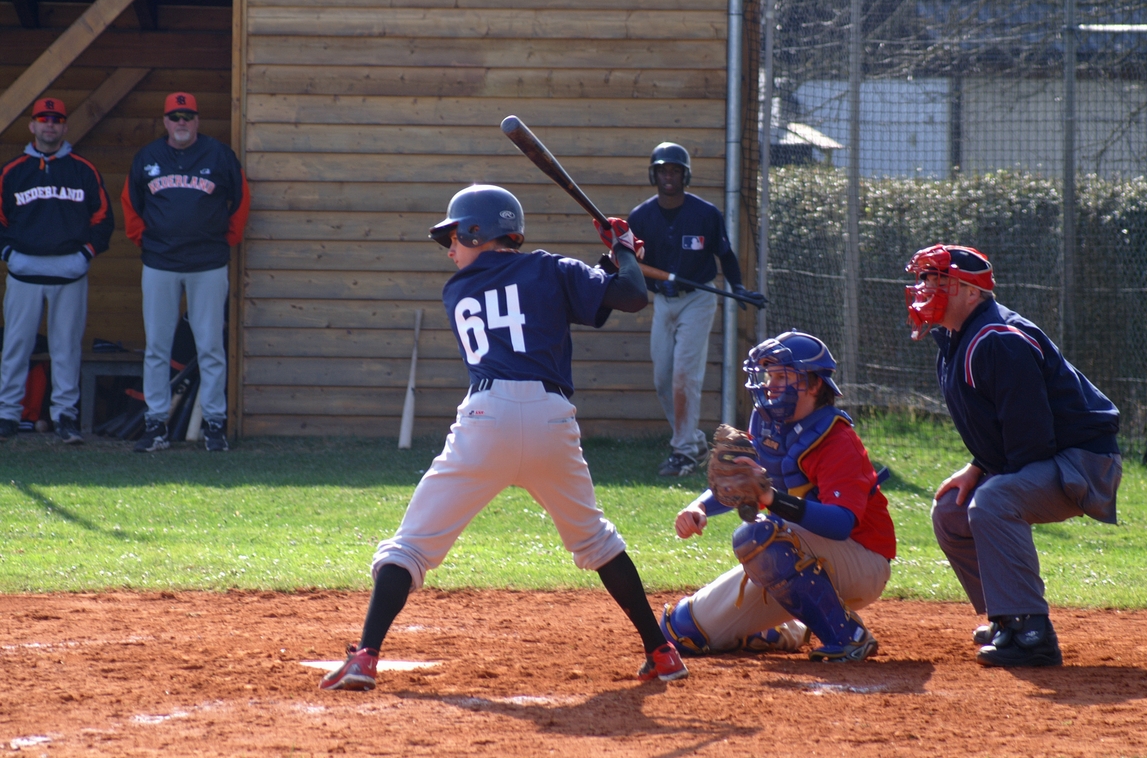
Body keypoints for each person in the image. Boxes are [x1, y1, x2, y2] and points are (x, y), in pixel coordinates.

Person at [319, 185, 689, 691]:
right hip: (551, 420)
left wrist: (613, 259)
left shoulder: (458, 290)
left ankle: (365, 657)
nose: (450, 249)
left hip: (485, 420)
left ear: (478, 232)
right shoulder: (550, 268)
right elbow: (628, 295)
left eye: (454, 236)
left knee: (409, 547)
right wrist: (622, 252)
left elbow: (557, 295)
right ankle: (661, 651)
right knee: (596, 541)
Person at [905, 244, 1122, 668]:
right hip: (1052, 455)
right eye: (925, 279)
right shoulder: (956, 338)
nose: (926, 288)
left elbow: (1031, 439)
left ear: (972, 292)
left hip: (1084, 462)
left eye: (939, 280)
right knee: (951, 510)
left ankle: (1032, 633)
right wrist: (976, 468)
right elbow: (1005, 427)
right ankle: (1005, 618)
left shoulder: (998, 339)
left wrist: (991, 478)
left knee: (993, 500)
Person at [661, 331, 895, 661]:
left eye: (783, 376)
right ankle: (790, 630)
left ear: (814, 384)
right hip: (794, 554)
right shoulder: (768, 425)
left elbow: (841, 523)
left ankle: (848, 635)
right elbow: (742, 482)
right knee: (681, 631)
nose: (770, 385)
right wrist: (698, 506)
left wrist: (771, 499)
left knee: (758, 537)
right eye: (769, 375)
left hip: (862, 560)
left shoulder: (837, 439)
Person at [121, 92, 250, 453]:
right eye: (175, 117)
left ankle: (214, 425)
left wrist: (225, 240)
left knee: (210, 346)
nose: (181, 122)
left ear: (197, 121)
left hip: (207, 264)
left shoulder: (219, 155)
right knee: (157, 347)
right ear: (165, 121)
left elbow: (241, 201)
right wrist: (146, 241)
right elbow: (131, 204)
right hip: (160, 263)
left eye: (188, 116)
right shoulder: (148, 157)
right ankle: (156, 424)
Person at [627, 142, 764, 477]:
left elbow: (725, 256)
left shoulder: (705, 214)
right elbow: (632, 263)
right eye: (663, 170)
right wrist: (651, 285)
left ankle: (684, 452)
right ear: (654, 175)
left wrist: (738, 288)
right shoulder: (641, 217)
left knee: (684, 376)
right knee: (663, 379)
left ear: (685, 176)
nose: (668, 177)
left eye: (675, 171)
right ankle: (694, 442)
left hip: (698, 299)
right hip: (664, 301)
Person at [0, 97, 113, 444]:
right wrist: (8, 254)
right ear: (32, 125)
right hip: (24, 272)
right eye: (43, 119)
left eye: (56, 120)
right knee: (16, 346)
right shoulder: (13, 171)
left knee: (67, 348)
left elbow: (103, 218)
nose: (50, 125)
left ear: (64, 127)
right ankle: (7, 414)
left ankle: (65, 415)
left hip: (69, 273)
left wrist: (85, 255)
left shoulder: (83, 170)